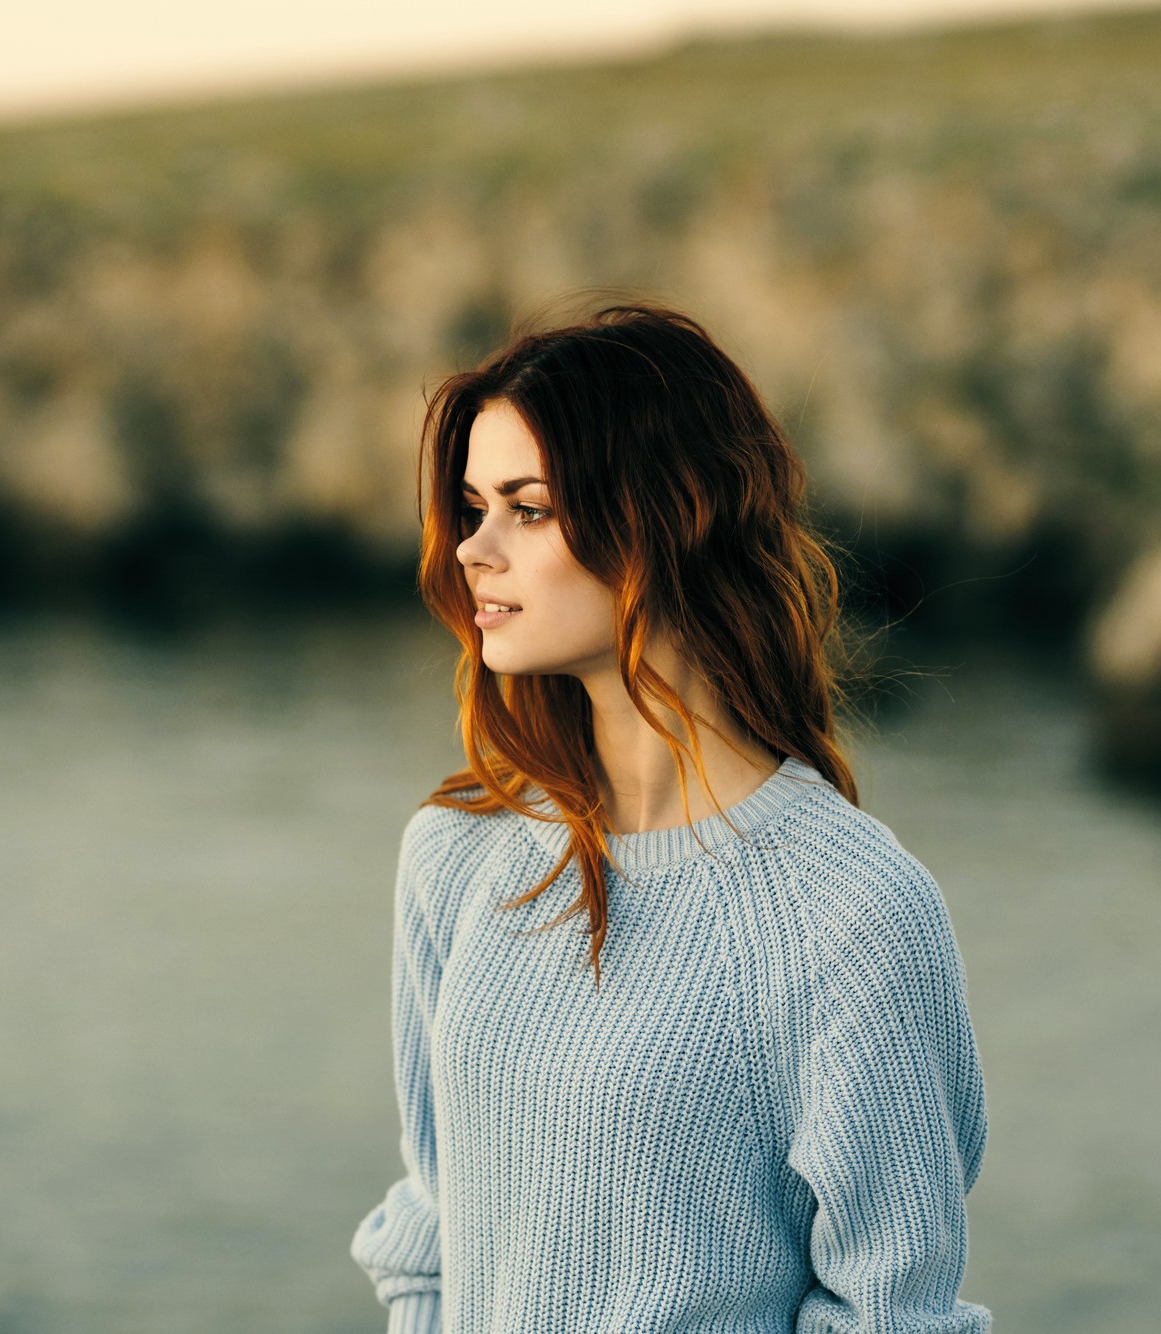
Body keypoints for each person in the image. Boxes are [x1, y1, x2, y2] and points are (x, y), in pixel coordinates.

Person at [350, 298, 990, 1333]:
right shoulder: (457, 852)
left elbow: (888, 1313)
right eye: (471, 507)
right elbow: (435, 1232)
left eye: (529, 506)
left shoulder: (852, 911)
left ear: (667, 513)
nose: (473, 548)